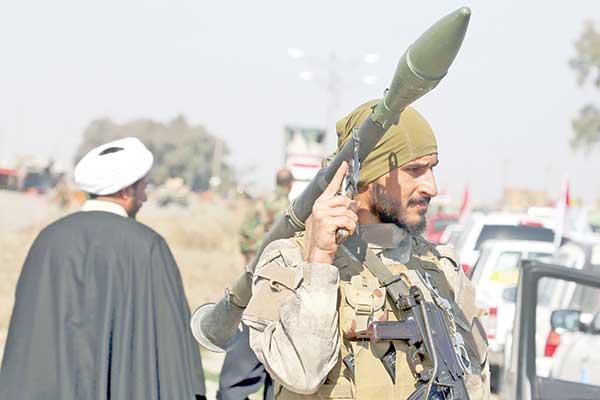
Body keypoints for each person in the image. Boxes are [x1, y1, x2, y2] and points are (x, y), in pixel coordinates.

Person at [242, 101, 490, 399]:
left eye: (431, 168)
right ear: (367, 176)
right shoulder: (290, 260)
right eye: (414, 170)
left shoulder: (441, 267)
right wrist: (319, 262)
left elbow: (475, 381)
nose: (431, 187)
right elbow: (302, 374)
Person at [0, 137, 206, 400]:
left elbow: (26, 345)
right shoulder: (147, 246)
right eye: (143, 188)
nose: (144, 197)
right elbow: (171, 345)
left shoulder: (49, 240)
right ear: (126, 191)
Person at [217, 167, 294, 400]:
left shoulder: (261, 202)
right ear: (290, 183)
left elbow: (245, 232)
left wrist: (251, 258)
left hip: (254, 279)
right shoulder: (289, 207)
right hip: (277, 284)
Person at [239, 168, 294, 264]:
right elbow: (280, 229)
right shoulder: (282, 202)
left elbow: (246, 223)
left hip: (249, 245)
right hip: (263, 248)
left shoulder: (264, 197)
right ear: (290, 183)